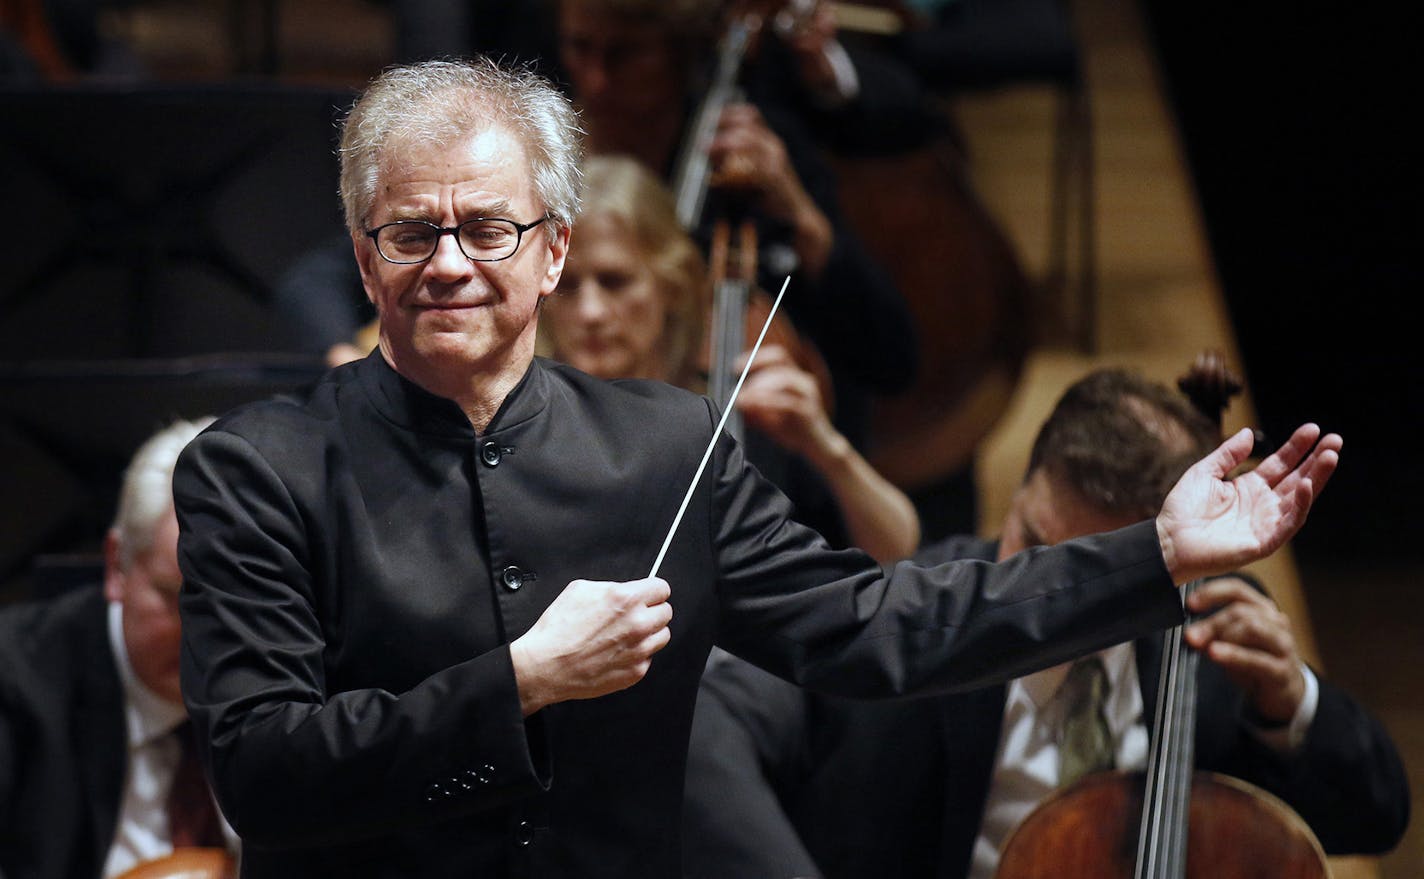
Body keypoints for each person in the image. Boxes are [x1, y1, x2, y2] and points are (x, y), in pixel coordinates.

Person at [171, 57, 1340, 878]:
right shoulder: (255, 474)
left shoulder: (665, 447)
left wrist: (1152, 554)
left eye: (487, 228)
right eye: (407, 232)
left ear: (553, 250)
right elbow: (264, 773)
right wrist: (518, 681)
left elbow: (888, 625)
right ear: (361, 254)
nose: (447, 264)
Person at [681, 363, 1408, 879]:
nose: (1060, 592)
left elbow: (1375, 817)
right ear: (1021, 486)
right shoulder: (913, 607)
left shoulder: (1212, 630)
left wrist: (1291, 703)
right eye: (1035, 542)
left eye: (1111, 571)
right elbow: (710, 728)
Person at [555, 0, 921, 454]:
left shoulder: (751, 157)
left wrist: (800, 214)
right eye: (579, 48)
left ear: (680, 55)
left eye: (625, 55)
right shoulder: (547, 156)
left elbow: (889, 358)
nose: (596, 79)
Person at [539, 153, 919, 562]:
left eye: (616, 282)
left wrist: (825, 447)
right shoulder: (523, 427)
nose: (591, 312)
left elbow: (898, 549)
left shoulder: (741, 415)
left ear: (673, 283)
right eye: (569, 285)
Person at [0, 416, 238, 879]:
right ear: (117, 566)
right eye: (180, 599)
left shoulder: (327, 672)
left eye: (245, 606)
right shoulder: (12, 681)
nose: (214, 639)